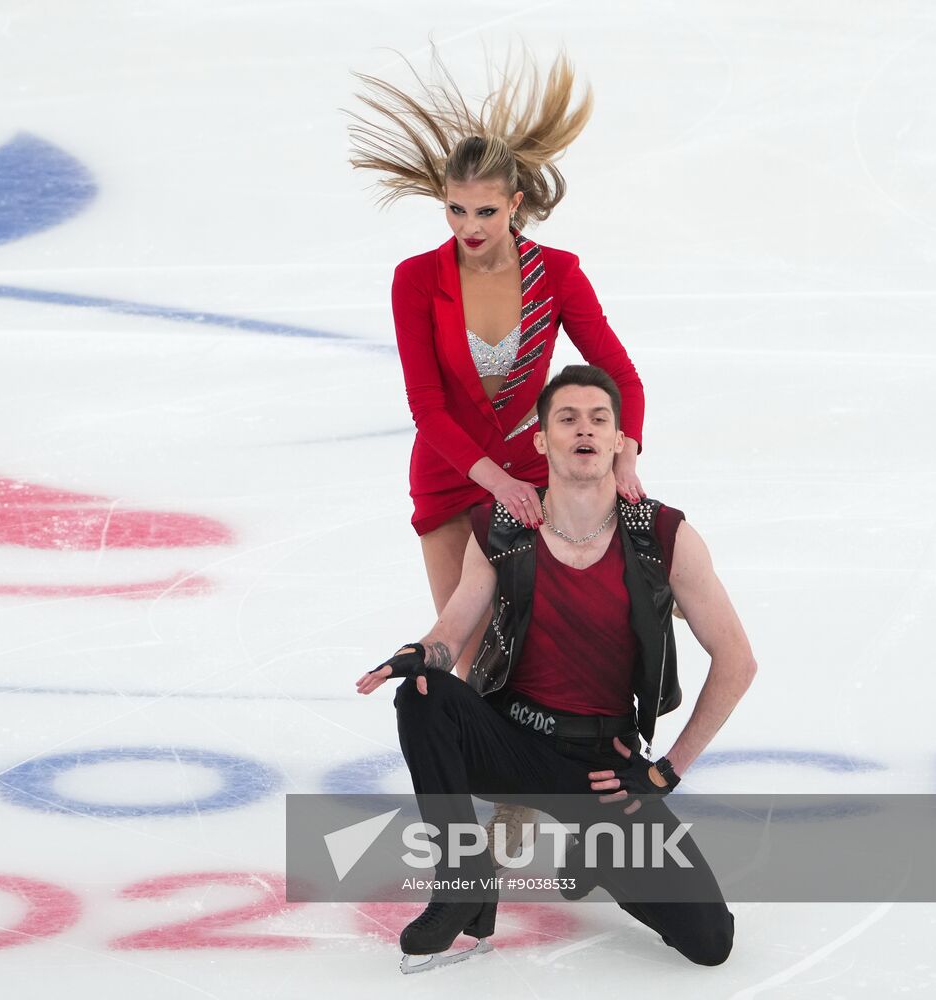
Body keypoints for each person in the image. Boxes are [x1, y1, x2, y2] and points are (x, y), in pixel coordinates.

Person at [356, 365, 757, 970]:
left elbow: (737, 660)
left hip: (602, 771)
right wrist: (422, 652)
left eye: (599, 419)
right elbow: (454, 627)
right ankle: (462, 877)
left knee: (710, 941)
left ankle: (592, 851)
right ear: (542, 440)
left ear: (621, 441)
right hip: (511, 744)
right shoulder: (504, 526)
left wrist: (666, 771)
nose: (584, 430)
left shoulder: (663, 535)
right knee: (422, 691)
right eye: (567, 419)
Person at [348, 51, 648, 674]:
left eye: (485, 211)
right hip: (450, 473)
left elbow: (621, 378)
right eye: (456, 210)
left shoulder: (556, 274)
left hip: (535, 478)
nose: (470, 227)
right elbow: (427, 410)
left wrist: (626, 456)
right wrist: (498, 483)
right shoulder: (415, 280)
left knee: (546, 648)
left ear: (514, 203)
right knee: (474, 658)